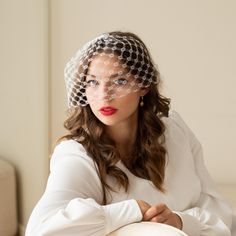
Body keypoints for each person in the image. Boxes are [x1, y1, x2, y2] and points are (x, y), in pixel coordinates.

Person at [26, 31, 234, 236]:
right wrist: (132, 210)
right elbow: (41, 230)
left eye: (119, 81)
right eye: (93, 82)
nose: (104, 95)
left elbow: (221, 216)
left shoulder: (174, 130)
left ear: (144, 85)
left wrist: (180, 221)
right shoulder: (78, 154)